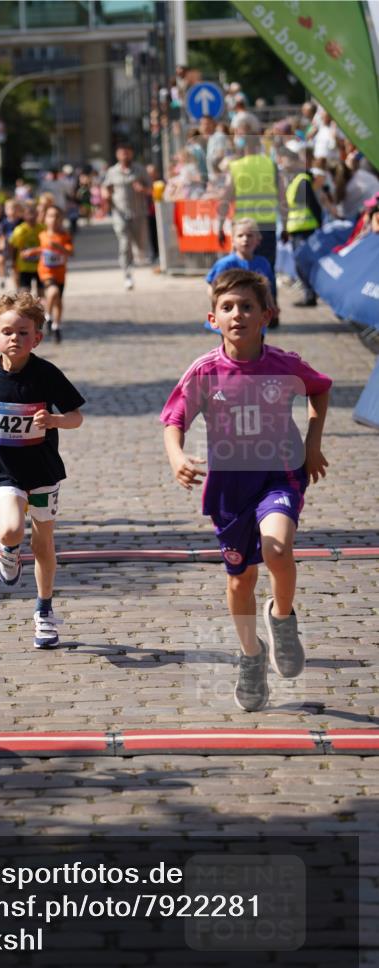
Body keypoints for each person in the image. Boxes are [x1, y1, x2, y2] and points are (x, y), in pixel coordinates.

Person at [161, 270, 331, 712]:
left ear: (266, 316)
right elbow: (174, 418)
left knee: (277, 549)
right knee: (240, 579)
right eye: (228, 307)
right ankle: (250, 657)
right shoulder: (206, 371)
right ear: (212, 318)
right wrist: (177, 457)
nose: (238, 314)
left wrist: (312, 445)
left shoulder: (284, 365)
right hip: (230, 486)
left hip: (280, 475)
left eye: (248, 307)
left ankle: (281, 618)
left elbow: (321, 390)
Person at [0, 291, 84, 649]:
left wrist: (55, 419)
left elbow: (76, 417)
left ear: (37, 338)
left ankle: (44, 610)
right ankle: (7, 550)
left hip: (44, 471)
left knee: (43, 543)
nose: (15, 338)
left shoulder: (47, 374)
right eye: (7, 332)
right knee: (10, 529)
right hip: (4, 471)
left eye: (24, 333)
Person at [218, 132, 279, 303]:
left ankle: (245, 307)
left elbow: (226, 197)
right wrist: (287, 225)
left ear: (244, 148)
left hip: (243, 228)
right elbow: (282, 195)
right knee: (267, 270)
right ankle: (271, 312)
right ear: (258, 146)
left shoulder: (236, 166)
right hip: (267, 225)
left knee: (242, 271)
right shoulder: (270, 164)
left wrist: (220, 225)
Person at [206, 217, 277, 324]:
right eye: (240, 236)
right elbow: (212, 287)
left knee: (255, 340)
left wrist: (272, 306)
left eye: (249, 235)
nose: (245, 239)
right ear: (233, 240)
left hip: (254, 318)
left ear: (258, 239)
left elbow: (266, 289)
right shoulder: (225, 264)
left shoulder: (263, 263)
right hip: (230, 318)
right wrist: (217, 307)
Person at [102, 140, 152, 290]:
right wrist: (106, 195)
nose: (124, 155)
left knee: (140, 244)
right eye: (121, 152)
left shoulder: (140, 170)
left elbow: (151, 189)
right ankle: (127, 274)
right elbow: (105, 188)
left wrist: (142, 189)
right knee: (124, 243)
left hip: (138, 213)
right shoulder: (112, 172)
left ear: (131, 153)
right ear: (117, 155)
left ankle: (138, 255)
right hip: (120, 214)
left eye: (127, 152)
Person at [281, 152, 323, 308]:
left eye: (285, 161)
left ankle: (310, 295)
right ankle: (309, 294)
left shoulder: (302, 181)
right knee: (300, 263)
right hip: (297, 229)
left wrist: (319, 224)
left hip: (305, 228)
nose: (283, 165)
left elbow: (313, 205)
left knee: (303, 263)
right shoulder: (295, 180)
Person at [34, 203, 74, 343]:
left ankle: (56, 326)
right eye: (51, 216)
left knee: (59, 302)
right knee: (53, 292)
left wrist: (59, 247)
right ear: (45, 218)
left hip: (60, 274)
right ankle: (48, 317)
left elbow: (70, 252)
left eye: (57, 216)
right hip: (45, 272)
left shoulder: (64, 236)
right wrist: (31, 252)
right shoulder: (42, 235)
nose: (54, 219)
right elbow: (42, 249)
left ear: (61, 219)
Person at [8, 200, 43, 297]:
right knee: (24, 294)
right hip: (24, 267)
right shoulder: (20, 230)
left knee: (41, 294)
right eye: (28, 214)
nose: (31, 217)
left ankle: (41, 311)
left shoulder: (42, 228)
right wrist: (13, 262)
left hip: (40, 266)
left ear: (37, 214)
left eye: (33, 213)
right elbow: (13, 246)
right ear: (24, 215)